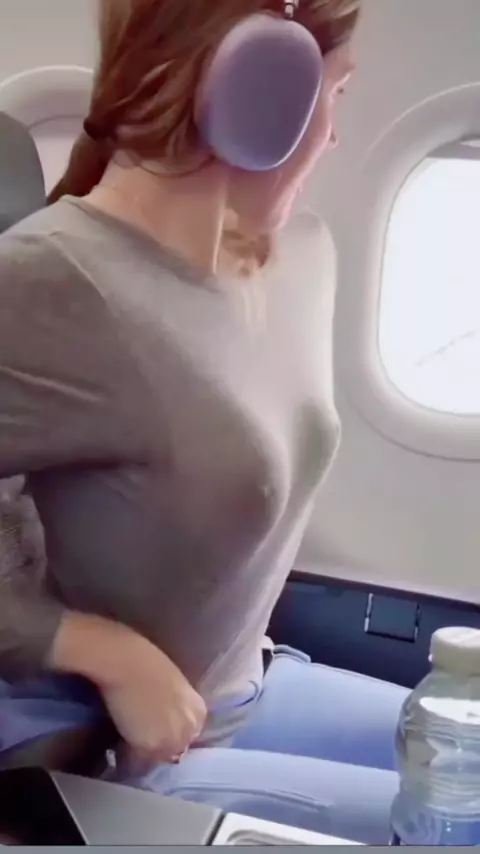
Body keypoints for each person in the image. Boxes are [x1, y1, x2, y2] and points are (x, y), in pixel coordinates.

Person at [0, 0, 406, 843]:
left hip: (250, 689)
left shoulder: (302, 261)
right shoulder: (58, 284)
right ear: (263, 89)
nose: (335, 135)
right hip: (122, 756)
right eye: (337, 93)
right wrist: (96, 647)